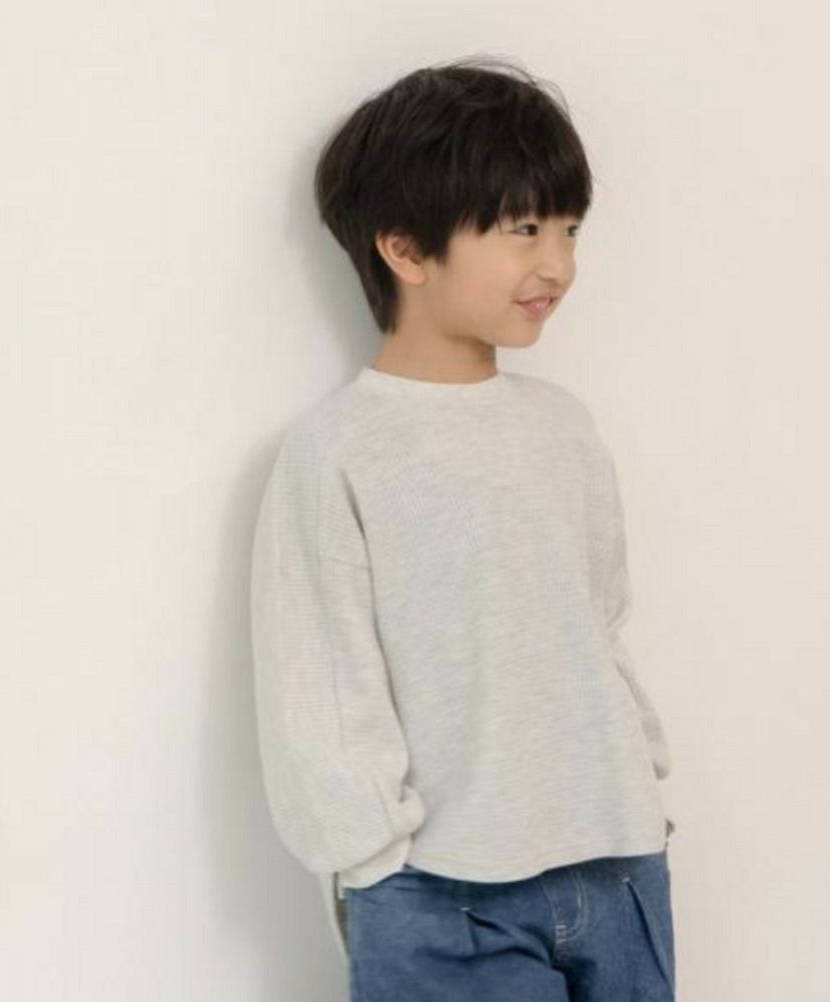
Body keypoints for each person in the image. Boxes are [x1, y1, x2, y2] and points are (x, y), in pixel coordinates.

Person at [249, 54, 678, 1001]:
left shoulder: (563, 426)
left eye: (569, 229)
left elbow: (599, 621)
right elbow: (321, 680)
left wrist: (640, 777)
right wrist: (376, 862)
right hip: (445, 895)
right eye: (524, 229)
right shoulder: (339, 449)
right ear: (405, 249)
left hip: (617, 864)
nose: (557, 264)